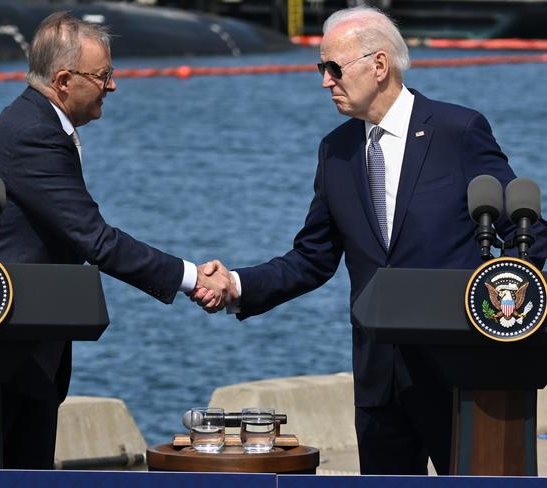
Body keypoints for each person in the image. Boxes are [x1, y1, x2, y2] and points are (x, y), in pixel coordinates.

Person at [192, 6, 547, 475]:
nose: (325, 81)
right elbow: (312, 259)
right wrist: (237, 285)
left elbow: (527, 238)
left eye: (334, 68)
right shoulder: (335, 151)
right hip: (380, 380)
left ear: (379, 66)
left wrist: (519, 327)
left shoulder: (457, 132)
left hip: (463, 377)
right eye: (322, 68)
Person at [0, 12, 232, 469]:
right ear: (65, 80)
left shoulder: (37, 123)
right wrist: (191, 278)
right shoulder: (33, 134)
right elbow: (96, 240)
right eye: (103, 75)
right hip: (8, 349)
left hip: (26, 343)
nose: (113, 86)